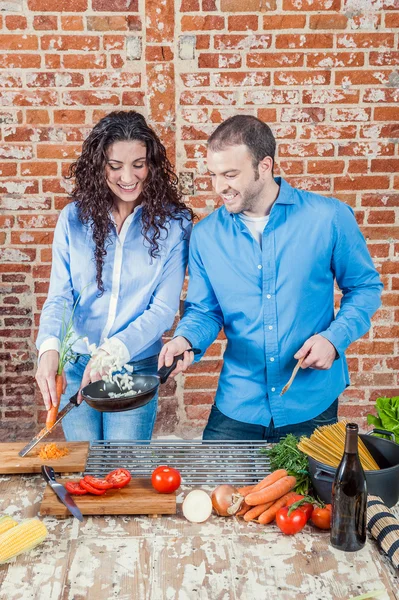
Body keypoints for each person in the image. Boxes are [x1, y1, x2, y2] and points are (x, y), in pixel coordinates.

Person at [158, 115, 383, 442]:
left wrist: (334, 339)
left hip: (310, 403)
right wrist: (185, 339)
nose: (220, 187)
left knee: (310, 495)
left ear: (265, 166)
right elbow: (205, 311)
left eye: (231, 174)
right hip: (239, 402)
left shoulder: (329, 217)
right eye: (214, 175)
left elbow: (364, 288)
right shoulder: (206, 236)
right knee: (215, 493)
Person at [36, 110, 193, 441]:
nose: (128, 177)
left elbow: (162, 310)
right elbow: (61, 296)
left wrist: (114, 351)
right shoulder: (73, 220)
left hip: (133, 370)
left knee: (124, 471)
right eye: (115, 166)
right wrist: (50, 348)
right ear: (99, 166)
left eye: (138, 164)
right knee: (86, 470)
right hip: (77, 366)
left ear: (151, 164)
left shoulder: (174, 225)